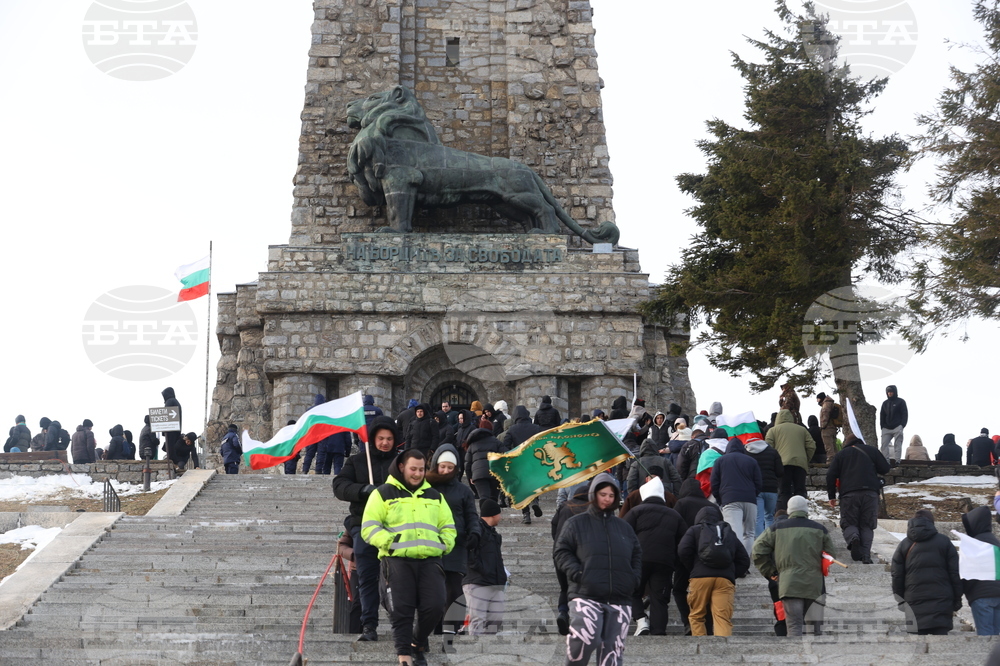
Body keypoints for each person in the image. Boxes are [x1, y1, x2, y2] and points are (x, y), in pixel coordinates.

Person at [361, 449, 456, 666]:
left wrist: (444, 544)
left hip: (430, 560)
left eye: (421, 469)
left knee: (435, 605)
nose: (417, 474)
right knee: (401, 609)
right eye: (413, 469)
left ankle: (417, 643)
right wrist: (390, 543)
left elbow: (448, 526)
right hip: (397, 560)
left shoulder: (435, 495)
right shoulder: (382, 493)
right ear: (402, 467)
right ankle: (404, 654)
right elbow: (369, 527)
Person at [553, 474, 641, 666]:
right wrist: (577, 573)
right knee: (586, 640)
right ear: (594, 494)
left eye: (611, 495)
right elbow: (561, 551)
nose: (607, 499)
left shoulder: (624, 527)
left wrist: (633, 579)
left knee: (613, 652)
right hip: (586, 594)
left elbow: (637, 554)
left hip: (620, 597)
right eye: (603, 494)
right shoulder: (576, 523)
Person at [332, 416, 400, 643]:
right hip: (365, 527)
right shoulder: (358, 461)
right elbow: (339, 486)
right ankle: (369, 625)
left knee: (401, 579)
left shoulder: (401, 463)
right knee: (367, 579)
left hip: (396, 529)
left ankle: (402, 625)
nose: (385, 443)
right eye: (380, 438)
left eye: (389, 438)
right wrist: (364, 490)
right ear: (372, 439)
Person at [752, 495, 834, 636]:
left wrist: (771, 571)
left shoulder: (776, 528)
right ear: (806, 510)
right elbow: (830, 555)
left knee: (794, 626)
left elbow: (757, 551)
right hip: (814, 585)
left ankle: (796, 656)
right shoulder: (820, 529)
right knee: (814, 629)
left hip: (789, 584)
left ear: (790, 510)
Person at [425, 444, 480, 639]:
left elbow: (471, 515)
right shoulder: (425, 487)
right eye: (443, 467)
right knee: (434, 590)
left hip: (457, 546)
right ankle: (436, 627)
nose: (446, 471)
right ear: (435, 465)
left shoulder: (463, 491)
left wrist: (474, 532)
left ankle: (453, 629)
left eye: (450, 467)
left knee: (454, 590)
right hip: (431, 545)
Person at [622, 476, 687, 636]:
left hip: (639, 560)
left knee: (632, 591)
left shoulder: (635, 512)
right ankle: (658, 631)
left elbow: (623, 535)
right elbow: (684, 540)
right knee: (660, 597)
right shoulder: (674, 515)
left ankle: (641, 619)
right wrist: (676, 561)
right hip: (665, 562)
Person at [677, 504, 750, 636]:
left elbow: (683, 550)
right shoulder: (728, 532)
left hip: (700, 578)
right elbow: (744, 560)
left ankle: (700, 650)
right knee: (722, 618)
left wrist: (693, 568)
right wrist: (731, 574)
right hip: (724, 579)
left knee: (696, 616)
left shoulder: (695, 530)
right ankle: (723, 652)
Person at [891, 509, 962, 635]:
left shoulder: (904, 545)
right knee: (941, 645)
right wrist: (957, 598)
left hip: (914, 600)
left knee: (917, 646)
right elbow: (955, 573)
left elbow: (897, 575)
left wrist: (901, 599)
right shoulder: (944, 541)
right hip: (941, 600)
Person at [826, 432, 889, 563]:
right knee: (867, 525)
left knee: (849, 523)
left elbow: (830, 476)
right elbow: (885, 469)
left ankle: (854, 538)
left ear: (847, 442)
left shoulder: (841, 455)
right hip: (870, 494)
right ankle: (866, 555)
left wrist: (832, 496)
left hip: (849, 494)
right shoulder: (872, 451)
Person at [672, 478, 715, 635]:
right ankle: (708, 625)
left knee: (678, 589)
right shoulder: (711, 506)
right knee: (708, 594)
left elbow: (674, 528)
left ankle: (688, 621)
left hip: (685, 554)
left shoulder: (681, 504)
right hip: (709, 558)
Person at [710, 436, 763, 557]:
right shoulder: (751, 461)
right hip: (750, 500)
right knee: (749, 533)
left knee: (734, 532)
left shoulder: (720, 461)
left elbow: (714, 483)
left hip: (730, 500)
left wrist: (720, 500)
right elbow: (759, 483)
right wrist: (752, 495)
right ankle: (746, 560)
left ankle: (738, 561)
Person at [551, 481, 592, 634]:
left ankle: (563, 612)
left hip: (560, 553)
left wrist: (558, 543)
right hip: (582, 554)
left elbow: (554, 525)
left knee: (564, 588)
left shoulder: (565, 506)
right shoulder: (591, 509)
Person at [463, 498, 506, 635]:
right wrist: (482, 570)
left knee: (496, 619)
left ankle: (487, 649)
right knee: (478, 619)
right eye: (499, 513)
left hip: (496, 582)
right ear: (493, 514)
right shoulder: (476, 530)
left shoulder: (495, 535)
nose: (500, 517)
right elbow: (467, 552)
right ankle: (476, 651)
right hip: (477, 581)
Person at [765, 409, 816, 511]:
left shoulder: (773, 430)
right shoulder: (802, 429)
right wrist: (805, 459)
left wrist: (774, 463)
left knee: (784, 491)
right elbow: (811, 446)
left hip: (782, 464)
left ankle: (783, 515)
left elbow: (768, 448)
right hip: (800, 464)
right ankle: (800, 515)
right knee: (800, 491)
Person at [960, 505, 1000, 635]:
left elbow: (965, 573)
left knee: (985, 636)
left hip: (981, 596)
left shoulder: (973, 545)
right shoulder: (996, 543)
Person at [502, 406, 543, 522]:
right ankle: (535, 501)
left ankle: (526, 515)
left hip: (519, 462)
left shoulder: (512, 429)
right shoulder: (536, 428)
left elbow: (505, 445)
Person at [746, 436, 783, 537]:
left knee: (758, 518)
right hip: (771, 489)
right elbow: (780, 472)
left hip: (756, 489)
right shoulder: (773, 452)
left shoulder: (746, 453)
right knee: (769, 517)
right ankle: (770, 540)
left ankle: (760, 543)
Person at [465, 427, 503, 505]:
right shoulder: (496, 441)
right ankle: (493, 514)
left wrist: (470, 476)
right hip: (495, 472)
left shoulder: (472, 445)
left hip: (478, 474)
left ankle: (484, 515)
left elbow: (467, 463)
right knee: (493, 497)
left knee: (483, 496)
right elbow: (505, 455)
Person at [879, 385, 908, 462]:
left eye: (891, 392)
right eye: (888, 392)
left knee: (897, 444)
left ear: (895, 392)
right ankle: (885, 461)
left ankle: (897, 461)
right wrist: (882, 426)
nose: (890, 393)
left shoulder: (901, 402)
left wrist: (902, 425)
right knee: (884, 445)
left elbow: (904, 414)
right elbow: (882, 415)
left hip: (897, 426)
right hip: (886, 428)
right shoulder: (885, 403)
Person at [161, 387, 182, 465]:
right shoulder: (175, 402)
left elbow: (165, 416)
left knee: (170, 447)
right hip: (176, 429)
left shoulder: (170, 401)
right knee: (172, 446)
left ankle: (172, 461)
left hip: (170, 429)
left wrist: (163, 431)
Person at [817, 393, 840, 462]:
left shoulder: (826, 405)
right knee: (833, 445)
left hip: (827, 428)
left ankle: (831, 461)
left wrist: (822, 427)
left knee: (828, 446)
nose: (817, 401)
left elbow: (825, 416)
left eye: (817, 399)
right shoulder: (830, 403)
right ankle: (837, 460)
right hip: (832, 427)